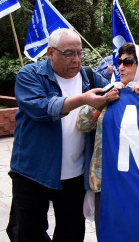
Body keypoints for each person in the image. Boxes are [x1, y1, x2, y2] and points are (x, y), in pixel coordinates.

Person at [7, 28, 114, 241]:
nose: (76, 59)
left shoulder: (91, 77)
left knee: (71, 232)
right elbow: (41, 108)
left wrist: (136, 87)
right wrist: (83, 99)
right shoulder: (30, 75)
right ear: (50, 53)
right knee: (27, 232)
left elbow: (117, 92)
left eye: (79, 53)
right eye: (68, 53)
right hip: (33, 172)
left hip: (74, 175)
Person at [77, 43, 139, 229]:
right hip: (107, 178)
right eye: (119, 61)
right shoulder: (112, 89)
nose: (120, 67)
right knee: (107, 231)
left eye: (128, 61)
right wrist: (104, 99)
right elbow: (83, 123)